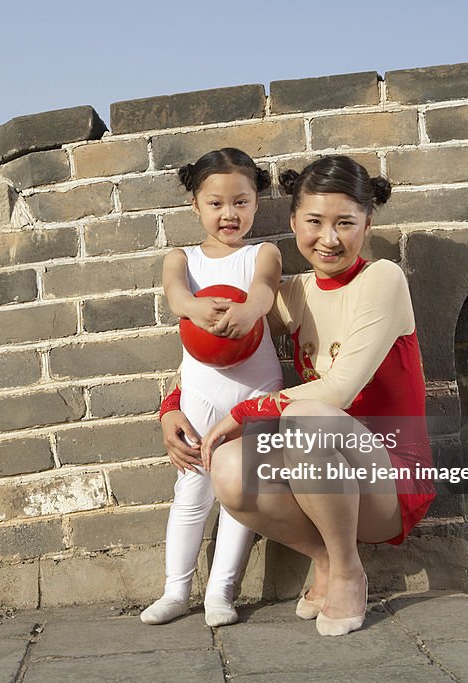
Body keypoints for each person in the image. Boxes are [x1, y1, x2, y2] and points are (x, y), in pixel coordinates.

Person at [199, 155, 436, 636]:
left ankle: (349, 572)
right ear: (293, 222)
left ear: (368, 223)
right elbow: (220, 348)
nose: (328, 239)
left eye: (345, 223)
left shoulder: (382, 279)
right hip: (321, 480)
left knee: (308, 416)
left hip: (390, 478)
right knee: (228, 467)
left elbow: (340, 389)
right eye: (314, 222)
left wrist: (247, 412)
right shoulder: (295, 293)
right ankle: (327, 557)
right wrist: (169, 407)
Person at [143, 148, 284, 627]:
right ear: (196, 207)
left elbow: (264, 287)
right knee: (192, 490)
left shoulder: (262, 253)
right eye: (217, 203)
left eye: (241, 202)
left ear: (256, 204)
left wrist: (251, 310)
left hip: (255, 389)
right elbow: (176, 293)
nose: (230, 214)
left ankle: (222, 592)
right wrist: (194, 308)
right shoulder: (181, 258)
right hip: (201, 392)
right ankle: (175, 591)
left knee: (241, 491)